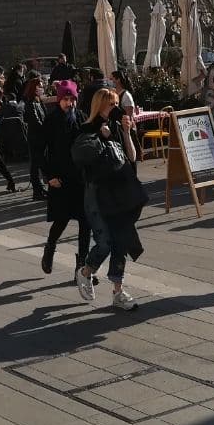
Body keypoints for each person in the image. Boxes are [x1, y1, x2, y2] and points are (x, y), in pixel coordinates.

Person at [72, 87, 145, 311]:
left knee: (120, 241)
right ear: (100, 105)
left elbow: (132, 157)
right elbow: (81, 158)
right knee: (104, 243)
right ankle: (86, 271)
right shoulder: (86, 129)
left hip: (119, 193)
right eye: (111, 104)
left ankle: (118, 292)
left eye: (116, 104)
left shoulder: (116, 126)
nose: (115, 108)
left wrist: (126, 132)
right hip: (97, 194)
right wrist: (100, 138)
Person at [38, 80, 88, 276]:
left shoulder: (81, 117)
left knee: (86, 223)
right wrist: (49, 176)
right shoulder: (51, 121)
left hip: (81, 179)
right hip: (59, 179)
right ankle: (50, 247)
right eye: (65, 99)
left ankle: (82, 268)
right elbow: (39, 151)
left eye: (72, 99)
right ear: (59, 100)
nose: (69, 103)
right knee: (61, 219)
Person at [22, 77, 49, 201]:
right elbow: (35, 121)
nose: (42, 88)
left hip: (40, 137)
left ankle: (40, 188)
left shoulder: (39, 101)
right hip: (35, 137)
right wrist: (45, 129)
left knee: (39, 164)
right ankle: (37, 190)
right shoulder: (31, 103)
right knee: (36, 164)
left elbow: (44, 117)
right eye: (40, 86)